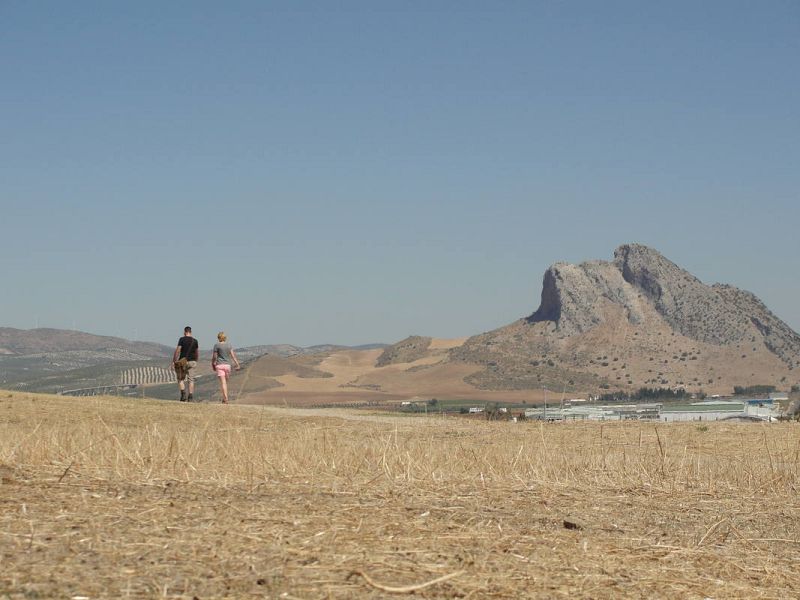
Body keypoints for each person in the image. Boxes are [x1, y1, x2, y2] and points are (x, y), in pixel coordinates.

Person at [211, 331, 240, 404]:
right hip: (227, 366)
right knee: (225, 382)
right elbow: (233, 356)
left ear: (218, 338)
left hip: (219, 365)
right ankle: (225, 398)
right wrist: (237, 364)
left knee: (223, 383)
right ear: (225, 338)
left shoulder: (216, 345)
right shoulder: (229, 345)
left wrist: (213, 364)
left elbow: (214, 357)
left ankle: (225, 398)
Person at [172, 326, 199, 402]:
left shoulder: (182, 339)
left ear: (184, 332)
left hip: (182, 362)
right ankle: (190, 397)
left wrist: (174, 361)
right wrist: (196, 360)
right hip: (192, 362)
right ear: (190, 332)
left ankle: (183, 394)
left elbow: (178, 350)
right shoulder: (195, 341)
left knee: (180, 378)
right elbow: (197, 352)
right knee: (191, 380)